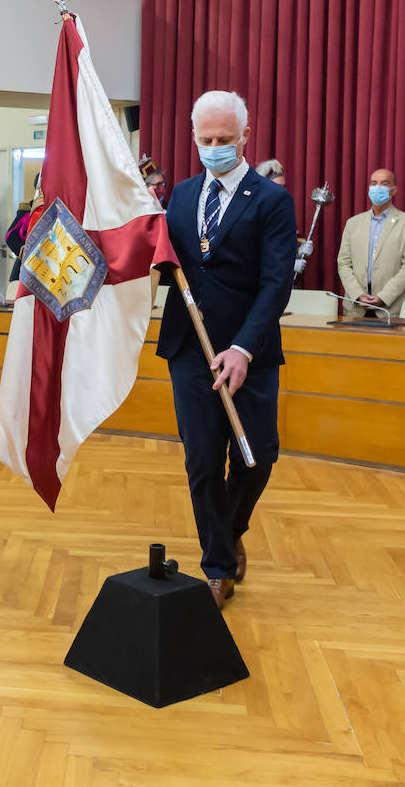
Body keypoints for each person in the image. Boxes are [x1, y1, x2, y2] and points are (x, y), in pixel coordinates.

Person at [156, 91, 295, 608]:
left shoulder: (272, 201)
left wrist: (242, 348)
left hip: (248, 351)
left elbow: (276, 284)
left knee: (258, 456)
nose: (214, 147)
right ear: (194, 137)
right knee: (202, 460)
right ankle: (216, 566)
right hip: (188, 347)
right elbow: (167, 264)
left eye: (225, 139)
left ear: (245, 137)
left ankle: (232, 527)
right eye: (206, 139)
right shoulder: (181, 195)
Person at [336, 169, 405, 318]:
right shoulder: (353, 223)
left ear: (394, 190)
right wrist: (357, 294)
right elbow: (343, 263)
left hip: (390, 310)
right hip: (355, 309)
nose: (377, 188)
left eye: (384, 184)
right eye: (374, 183)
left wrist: (383, 297)